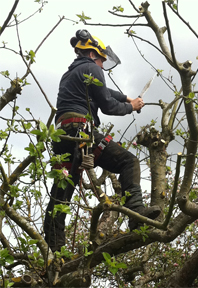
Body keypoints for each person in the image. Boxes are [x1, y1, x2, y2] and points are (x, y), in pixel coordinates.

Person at [43, 30, 161, 252]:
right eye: (101, 60)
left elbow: (104, 90)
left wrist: (126, 97)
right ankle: (136, 213)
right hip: (81, 131)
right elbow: (107, 105)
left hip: (62, 136)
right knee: (129, 162)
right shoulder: (92, 68)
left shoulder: (71, 74)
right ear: (92, 54)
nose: (102, 64)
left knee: (63, 189)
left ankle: (53, 247)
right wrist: (131, 107)